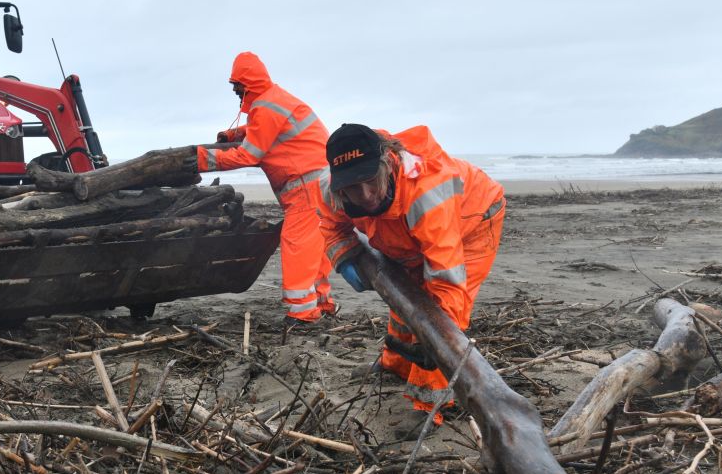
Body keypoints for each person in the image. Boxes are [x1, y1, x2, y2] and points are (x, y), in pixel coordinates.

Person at [319, 122, 504, 420]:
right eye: (352, 186)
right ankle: (396, 364)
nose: (365, 195)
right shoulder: (333, 190)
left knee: (437, 308)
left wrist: (436, 342)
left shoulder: (426, 194)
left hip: (474, 218)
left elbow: (447, 282)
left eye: (369, 180)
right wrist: (345, 255)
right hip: (412, 228)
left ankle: (433, 403)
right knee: (405, 293)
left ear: (385, 164)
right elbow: (330, 224)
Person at [197, 51, 337, 323]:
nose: (236, 91)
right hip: (321, 181)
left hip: (308, 186)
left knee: (297, 244)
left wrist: (203, 159)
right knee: (314, 247)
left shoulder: (266, 106)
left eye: (237, 85)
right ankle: (321, 303)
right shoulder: (274, 101)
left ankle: (303, 313)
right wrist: (235, 134)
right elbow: (267, 130)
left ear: (248, 83)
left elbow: (248, 155)